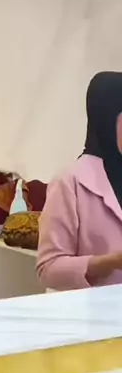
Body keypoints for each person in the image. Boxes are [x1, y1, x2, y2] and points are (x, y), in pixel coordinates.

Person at [37, 71, 122, 291]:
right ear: (106, 121)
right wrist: (108, 262)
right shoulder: (70, 182)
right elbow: (48, 269)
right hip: (95, 309)